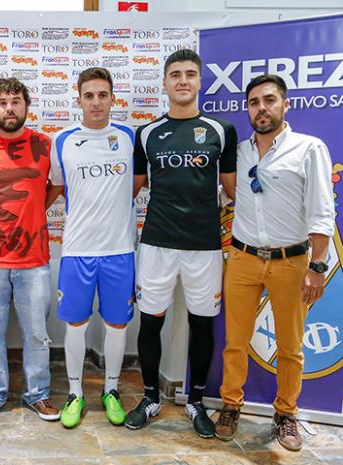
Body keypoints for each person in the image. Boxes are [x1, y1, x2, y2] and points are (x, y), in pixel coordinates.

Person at [215, 74, 335, 451]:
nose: (261, 108)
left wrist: (318, 267)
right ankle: (231, 406)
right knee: (235, 342)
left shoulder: (309, 148)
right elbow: (224, 192)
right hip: (243, 258)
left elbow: (321, 210)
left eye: (269, 100)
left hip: (292, 261)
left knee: (290, 345)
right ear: (247, 109)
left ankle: (286, 413)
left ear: (285, 105)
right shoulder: (239, 151)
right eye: (254, 102)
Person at [126, 49, 237, 438]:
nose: (183, 80)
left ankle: (196, 401)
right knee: (150, 322)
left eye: (191, 73)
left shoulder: (222, 130)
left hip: (204, 246)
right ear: (165, 82)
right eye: (175, 74)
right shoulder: (147, 133)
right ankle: (151, 398)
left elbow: (234, 191)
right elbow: (131, 189)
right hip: (157, 243)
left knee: (202, 325)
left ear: (200, 81)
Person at [46, 67, 136, 428]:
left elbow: (136, 186)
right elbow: (53, 189)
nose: (96, 102)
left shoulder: (130, 137)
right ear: (79, 98)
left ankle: (111, 391)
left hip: (119, 250)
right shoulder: (63, 140)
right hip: (77, 251)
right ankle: (75, 393)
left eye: (103, 95)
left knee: (116, 326)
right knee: (76, 325)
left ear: (113, 98)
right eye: (89, 95)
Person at [0, 77, 60, 422]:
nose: (9, 108)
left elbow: (57, 187)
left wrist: (34, 206)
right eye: (2, 102)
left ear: (26, 105)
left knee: (37, 334)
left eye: (16, 101)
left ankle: (37, 394)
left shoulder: (45, 144)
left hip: (34, 259)